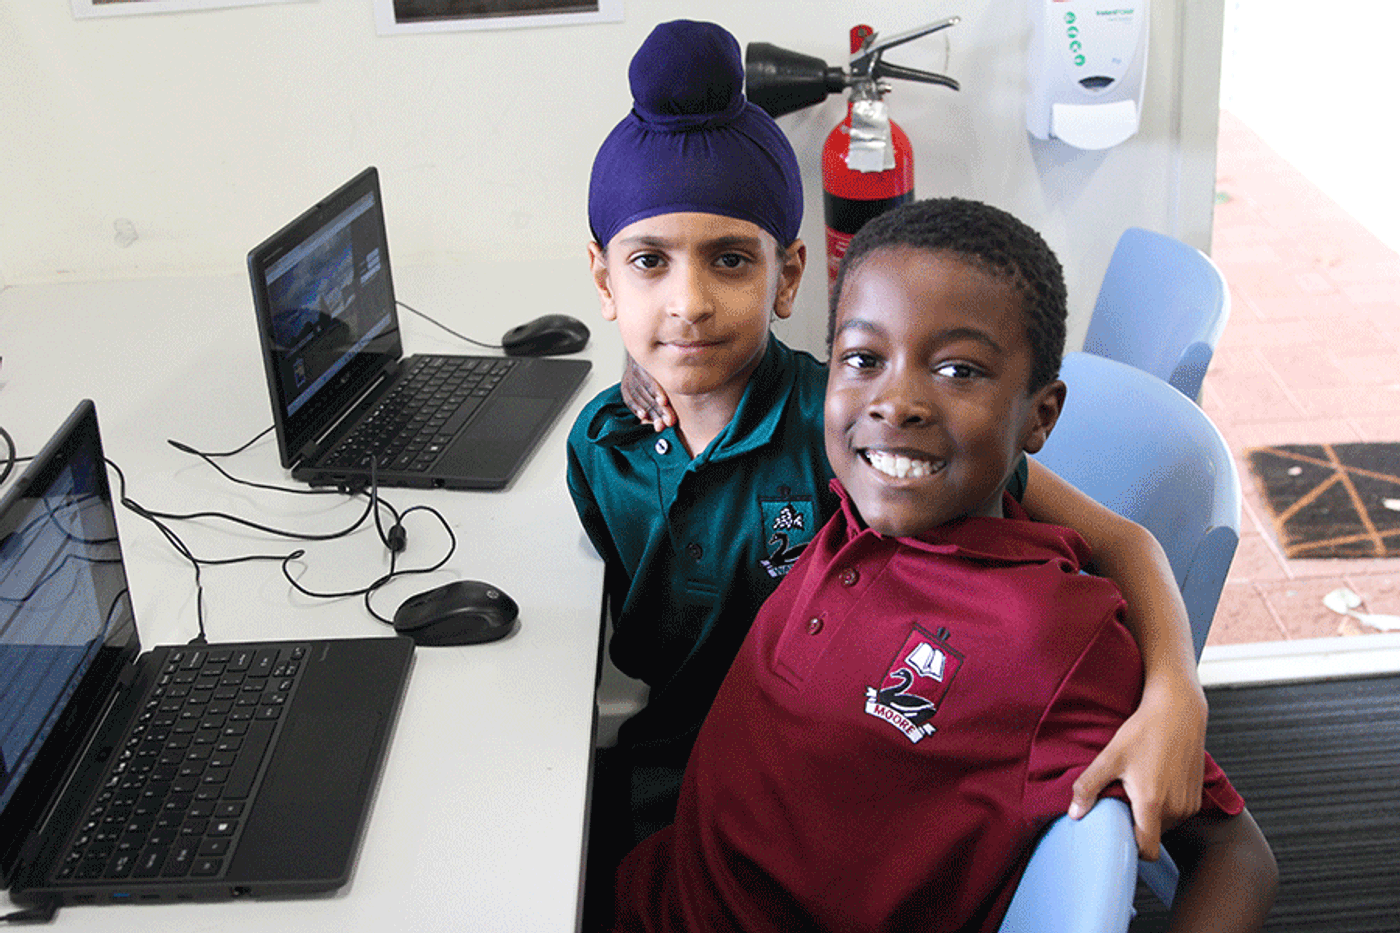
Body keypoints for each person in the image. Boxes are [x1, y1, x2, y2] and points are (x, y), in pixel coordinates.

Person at [568, 17, 1205, 879]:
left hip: (826, 784)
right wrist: (641, 367)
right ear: (604, 279)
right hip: (672, 773)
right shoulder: (602, 445)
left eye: (729, 261)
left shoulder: (855, 437)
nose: (689, 303)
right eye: (649, 263)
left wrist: (1178, 688)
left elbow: (1117, 539)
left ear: (788, 275)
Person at [608, 196, 1277, 933]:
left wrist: (1176, 691)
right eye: (864, 359)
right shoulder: (858, 484)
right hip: (663, 877)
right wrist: (649, 361)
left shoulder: (1046, 641)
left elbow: (1238, 856)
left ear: (1040, 417)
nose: (896, 403)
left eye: (959, 370)